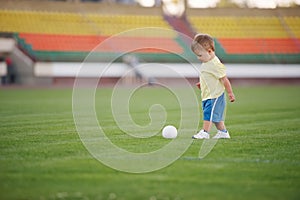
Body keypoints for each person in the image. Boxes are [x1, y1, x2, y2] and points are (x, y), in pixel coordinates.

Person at [191, 34, 235, 139]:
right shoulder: (207, 62)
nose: (198, 58)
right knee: (216, 118)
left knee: (208, 114)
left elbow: (224, 79)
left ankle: (205, 132)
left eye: (200, 55)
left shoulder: (215, 64)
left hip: (215, 96)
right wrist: (202, 84)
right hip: (207, 95)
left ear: (210, 51)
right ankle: (223, 132)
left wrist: (230, 93)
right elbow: (209, 76)